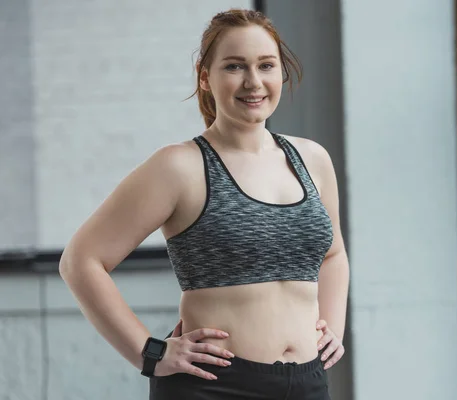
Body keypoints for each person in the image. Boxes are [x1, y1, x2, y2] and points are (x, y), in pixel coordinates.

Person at [59, 8, 349, 400]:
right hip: (214, 387)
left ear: (282, 73)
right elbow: (81, 260)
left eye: (266, 65)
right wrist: (150, 353)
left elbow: (332, 255)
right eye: (234, 66)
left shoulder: (313, 159)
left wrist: (332, 324)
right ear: (205, 77)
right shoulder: (179, 166)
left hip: (307, 384)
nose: (253, 82)